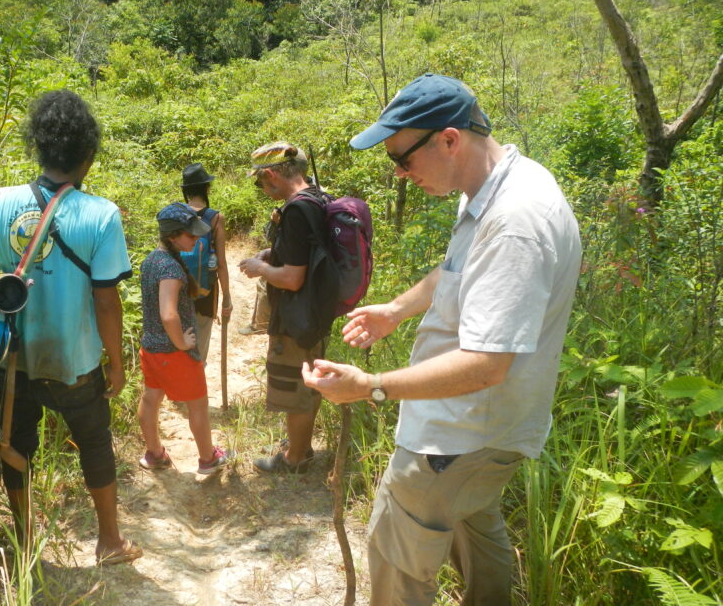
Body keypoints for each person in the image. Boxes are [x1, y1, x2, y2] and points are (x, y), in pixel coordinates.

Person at [301, 73, 582, 605]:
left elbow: (485, 365)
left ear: (449, 140)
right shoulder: (494, 186)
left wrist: (371, 385)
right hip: (481, 433)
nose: (402, 176)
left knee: (395, 554)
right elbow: (455, 270)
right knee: (476, 522)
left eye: (402, 160)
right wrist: (394, 310)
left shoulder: (515, 219)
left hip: (460, 435)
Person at [0, 89, 142, 566]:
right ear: (88, 156)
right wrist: (117, 363)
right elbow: (106, 301)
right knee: (95, 443)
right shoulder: (102, 214)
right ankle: (109, 542)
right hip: (76, 364)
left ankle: (24, 539)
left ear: (38, 145)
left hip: (14, 362)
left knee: (17, 446)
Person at [238, 142, 333, 474]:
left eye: (260, 182)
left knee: (296, 387)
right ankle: (300, 446)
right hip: (317, 312)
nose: (262, 189)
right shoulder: (319, 198)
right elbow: (304, 256)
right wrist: (271, 254)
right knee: (309, 383)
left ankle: (295, 459)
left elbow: (292, 279)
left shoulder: (296, 210)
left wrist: (259, 267)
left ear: (271, 174)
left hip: (297, 316)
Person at [136, 202, 229, 475]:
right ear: (173, 236)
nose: (197, 238)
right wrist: (182, 343)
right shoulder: (171, 270)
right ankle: (208, 459)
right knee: (198, 405)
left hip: (151, 348)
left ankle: (155, 454)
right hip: (173, 353)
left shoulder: (152, 259)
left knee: (151, 398)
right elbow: (168, 314)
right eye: (191, 235)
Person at [179, 163, 233, 362]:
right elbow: (221, 263)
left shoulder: (175, 215)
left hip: (177, 290)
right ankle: (195, 385)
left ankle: (179, 387)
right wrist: (226, 297)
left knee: (178, 343)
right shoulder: (216, 218)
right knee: (199, 345)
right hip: (205, 294)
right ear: (207, 188)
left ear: (185, 190)